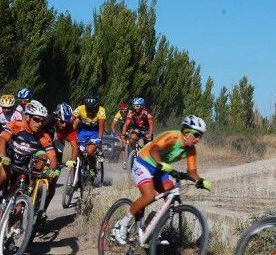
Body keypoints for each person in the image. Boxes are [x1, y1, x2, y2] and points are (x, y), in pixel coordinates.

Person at [111, 115, 212, 244]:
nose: (198, 139)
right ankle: (122, 225)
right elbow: (154, 149)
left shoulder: (191, 149)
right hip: (144, 163)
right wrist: (161, 164)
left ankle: (151, 227)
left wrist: (200, 181)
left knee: (170, 195)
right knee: (149, 195)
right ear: (186, 132)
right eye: (196, 135)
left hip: (160, 168)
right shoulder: (173, 137)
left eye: (200, 136)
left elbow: (192, 172)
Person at [0, 100, 58, 212]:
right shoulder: (16, 125)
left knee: (20, 196)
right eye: (36, 120)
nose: (39, 124)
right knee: (4, 174)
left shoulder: (44, 136)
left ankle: (14, 220)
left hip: (23, 163)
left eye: (42, 121)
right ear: (27, 117)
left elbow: (52, 157)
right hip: (7, 157)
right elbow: (2, 139)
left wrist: (51, 170)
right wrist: (3, 157)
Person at [42, 102, 79, 213]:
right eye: (62, 122)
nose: (64, 125)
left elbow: (74, 147)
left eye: (66, 122)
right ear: (56, 117)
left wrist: (72, 161)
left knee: (52, 183)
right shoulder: (48, 120)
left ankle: (43, 211)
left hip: (57, 149)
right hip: (44, 146)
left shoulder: (69, 127)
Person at [72, 95, 106, 176]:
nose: (90, 110)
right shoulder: (80, 108)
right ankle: (77, 171)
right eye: (88, 108)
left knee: (90, 152)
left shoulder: (101, 110)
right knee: (78, 150)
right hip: (82, 131)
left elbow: (101, 128)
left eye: (92, 108)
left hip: (95, 132)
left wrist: (99, 139)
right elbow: (70, 120)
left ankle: (92, 168)